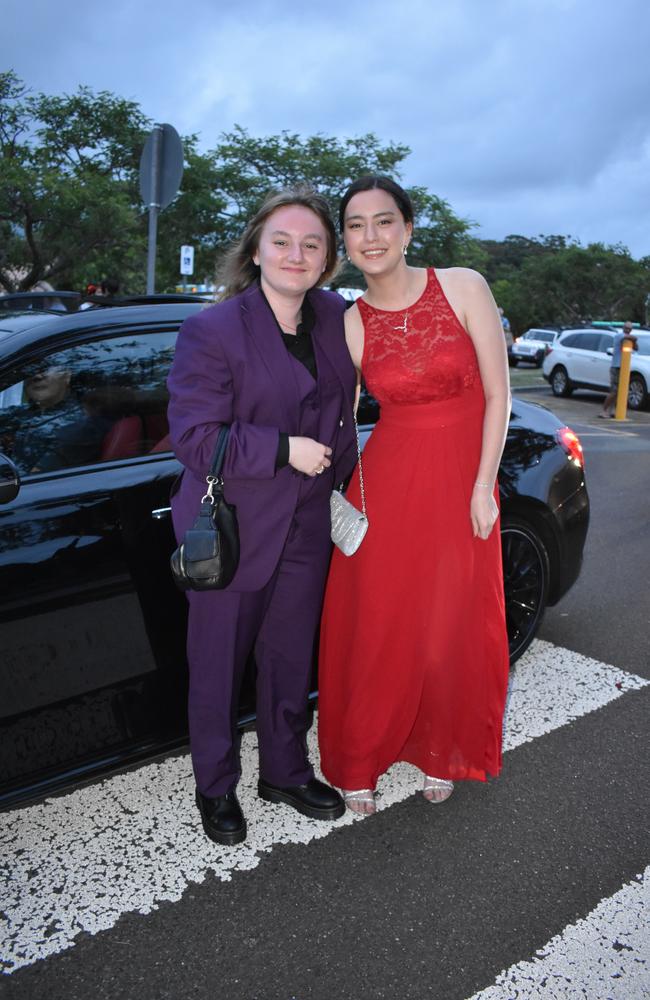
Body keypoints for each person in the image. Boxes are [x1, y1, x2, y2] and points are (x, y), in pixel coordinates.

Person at [167, 187, 358, 846]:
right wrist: (283, 449)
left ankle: (284, 770)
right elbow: (195, 437)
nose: (296, 254)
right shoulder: (213, 329)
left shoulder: (335, 316)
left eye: (312, 244)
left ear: (328, 259)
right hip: (232, 525)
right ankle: (215, 785)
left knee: (289, 657)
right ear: (255, 248)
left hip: (308, 523)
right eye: (282, 240)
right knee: (219, 664)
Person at [317, 176, 511, 814]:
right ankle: (363, 754)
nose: (370, 236)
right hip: (389, 480)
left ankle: (439, 746)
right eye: (355, 225)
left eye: (383, 221)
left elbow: (497, 394)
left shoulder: (463, 285)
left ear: (407, 227)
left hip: (462, 480)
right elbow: (340, 421)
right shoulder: (349, 321)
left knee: (447, 623)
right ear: (344, 240)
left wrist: (484, 487)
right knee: (379, 621)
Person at [599, 321, 638, 417]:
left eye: (629, 329)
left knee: (621, 391)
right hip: (616, 367)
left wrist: (634, 341)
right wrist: (634, 339)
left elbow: (636, 348)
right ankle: (603, 410)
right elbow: (630, 337)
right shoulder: (619, 336)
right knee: (614, 391)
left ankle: (612, 411)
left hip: (624, 368)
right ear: (623, 328)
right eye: (626, 328)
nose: (628, 330)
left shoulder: (629, 339)